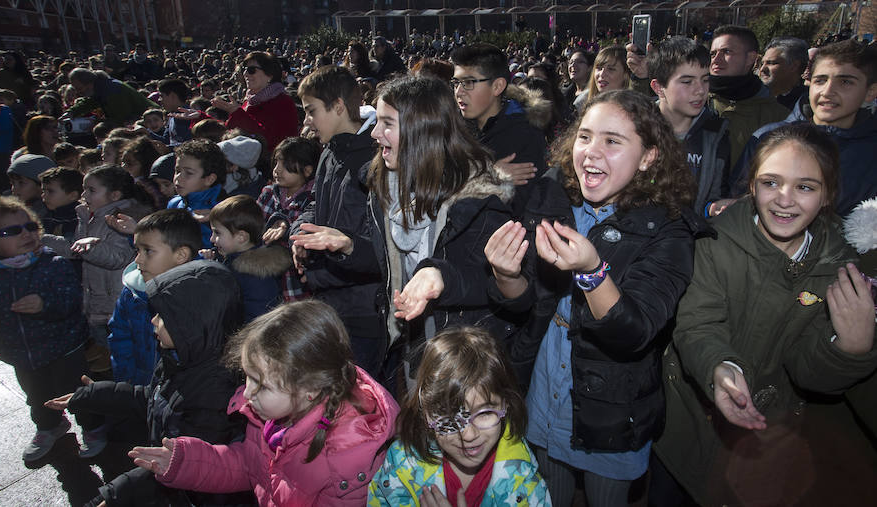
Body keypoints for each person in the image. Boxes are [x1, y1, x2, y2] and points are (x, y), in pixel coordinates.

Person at [484, 89, 707, 507]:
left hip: (611, 406)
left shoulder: (669, 229)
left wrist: (591, 271)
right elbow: (523, 303)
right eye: (585, 137)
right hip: (544, 384)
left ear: (648, 157)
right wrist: (505, 273)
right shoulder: (552, 195)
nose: (590, 152)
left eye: (612, 141)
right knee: (550, 496)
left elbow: (634, 332)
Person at [652, 124, 877, 506]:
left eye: (805, 187)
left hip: (770, 444)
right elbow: (697, 323)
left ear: (826, 196)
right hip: (688, 428)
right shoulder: (715, 242)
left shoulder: (838, 270)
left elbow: (809, 373)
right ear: (752, 186)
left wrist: (849, 349)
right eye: (771, 182)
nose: (785, 199)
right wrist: (719, 366)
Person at [292, 75, 517, 389]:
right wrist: (349, 246)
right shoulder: (386, 186)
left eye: (387, 123)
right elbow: (390, 265)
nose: (374, 133)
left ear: (421, 130)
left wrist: (441, 276)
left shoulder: (477, 202)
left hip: (465, 361)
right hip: (414, 348)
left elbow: (500, 291)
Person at [128, 300, 400, 505]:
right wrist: (185, 462)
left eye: (262, 385)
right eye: (247, 377)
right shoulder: (270, 416)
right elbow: (252, 467)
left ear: (311, 389)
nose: (246, 394)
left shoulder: (346, 465)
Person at [46, 259, 248, 506]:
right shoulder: (179, 358)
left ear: (191, 324)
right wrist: (93, 395)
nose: (153, 321)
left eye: (162, 316)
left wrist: (115, 495)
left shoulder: (216, 390)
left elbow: (178, 464)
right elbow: (151, 397)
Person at [0, 196, 103, 461]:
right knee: (37, 395)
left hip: (63, 346)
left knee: (78, 391)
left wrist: (45, 304)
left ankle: (94, 427)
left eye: (30, 227)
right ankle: (50, 426)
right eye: (11, 231)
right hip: (19, 352)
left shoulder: (52, 264)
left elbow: (72, 300)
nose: (26, 234)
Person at [368, 326, 550, 506]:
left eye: (485, 413)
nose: (469, 435)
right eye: (450, 417)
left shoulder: (524, 481)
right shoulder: (401, 468)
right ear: (426, 415)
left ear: (506, 405)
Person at [289, 66, 385, 377]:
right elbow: (315, 205)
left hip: (364, 312)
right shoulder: (329, 151)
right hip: (331, 303)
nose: (306, 121)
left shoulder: (376, 159)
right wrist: (300, 236)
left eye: (311, 111)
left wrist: (337, 253)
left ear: (339, 106)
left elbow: (380, 249)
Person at [729, 39, 877, 217]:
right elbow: (737, 203)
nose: (828, 91)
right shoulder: (768, 138)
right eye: (820, 80)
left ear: (870, 92)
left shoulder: (871, 152)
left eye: (845, 82)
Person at [41, 165, 151, 377]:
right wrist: (45, 240)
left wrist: (90, 246)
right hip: (97, 299)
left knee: (122, 348)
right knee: (106, 347)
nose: (84, 195)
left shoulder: (122, 217)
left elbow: (117, 257)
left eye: (91, 190)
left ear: (114, 194)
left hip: (115, 301)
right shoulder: (88, 215)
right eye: (84, 189)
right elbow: (77, 249)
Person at [451, 43, 551, 217]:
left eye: (468, 83)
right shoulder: (454, 129)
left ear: (497, 86)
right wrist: (491, 176)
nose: (459, 92)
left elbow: (516, 210)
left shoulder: (524, 136)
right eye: (456, 83)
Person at [108, 209, 201, 386]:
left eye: (148, 251)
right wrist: (126, 381)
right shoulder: (132, 291)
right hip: (137, 388)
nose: (138, 260)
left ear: (181, 255)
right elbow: (119, 338)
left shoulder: (199, 297)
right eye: (137, 250)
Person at [648, 37, 730, 217]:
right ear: (659, 87)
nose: (700, 90)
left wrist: (711, 209)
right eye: (687, 81)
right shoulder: (637, 127)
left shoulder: (716, 133)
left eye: (705, 80)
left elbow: (715, 194)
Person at [706, 25, 790, 168]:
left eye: (726, 52)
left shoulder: (778, 118)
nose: (716, 60)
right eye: (713, 54)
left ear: (750, 58)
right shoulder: (692, 102)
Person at [207, 195, 291, 323]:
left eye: (217, 233)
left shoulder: (255, 275)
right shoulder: (235, 260)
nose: (211, 239)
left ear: (241, 237)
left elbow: (259, 319)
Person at [259, 137, 320, 302]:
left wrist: (287, 230)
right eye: (276, 163)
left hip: (296, 285)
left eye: (285, 165)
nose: (277, 170)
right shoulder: (268, 194)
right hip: (266, 282)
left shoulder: (312, 200)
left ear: (307, 170)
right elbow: (255, 226)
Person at [211, 51, 298, 151]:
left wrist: (237, 113)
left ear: (270, 75)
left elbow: (268, 139)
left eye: (251, 70)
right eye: (244, 69)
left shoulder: (283, 102)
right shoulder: (250, 100)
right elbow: (230, 131)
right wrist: (201, 118)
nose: (245, 74)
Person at [169, 138, 227, 248]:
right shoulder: (174, 203)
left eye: (189, 173)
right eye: (177, 171)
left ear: (209, 179)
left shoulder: (221, 209)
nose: (178, 178)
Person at [64, 68, 159, 126]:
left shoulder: (112, 90)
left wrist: (99, 123)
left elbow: (121, 117)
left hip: (152, 118)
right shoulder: (100, 88)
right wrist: (71, 112)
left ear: (88, 83)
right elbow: (89, 102)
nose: (78, 92)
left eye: (79, 88)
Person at [758, 36, 809, 111]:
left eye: (771, 63)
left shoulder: (809, 103)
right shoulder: (752, 97)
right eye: (762, 64)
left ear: (794, 66)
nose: (762, 69)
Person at [7, 153, 56, 218]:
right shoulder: (13, 212)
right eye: (12, 183)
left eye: (21, 183)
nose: (14, 189)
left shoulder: (53, 215)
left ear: (41, 185)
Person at [38, 166, 82, 239]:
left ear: (73, 195)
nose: (43, 195)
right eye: (43, 191)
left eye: (50, 191)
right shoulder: (46, 214)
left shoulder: (78, 218)